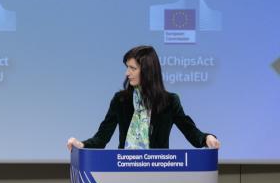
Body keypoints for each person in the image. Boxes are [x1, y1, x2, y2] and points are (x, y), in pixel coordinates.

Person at [67, 45, 220, 150]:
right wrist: (82, 145)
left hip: (157, 174)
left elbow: (190, 130)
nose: (127, 73)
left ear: (147, 71)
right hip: (123, 172)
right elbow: (102, 137)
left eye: (132, 68)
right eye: (127, 67)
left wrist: (206, 138)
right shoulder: (120, 100)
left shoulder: (170, 101)